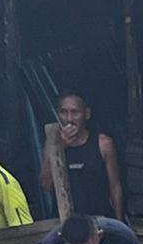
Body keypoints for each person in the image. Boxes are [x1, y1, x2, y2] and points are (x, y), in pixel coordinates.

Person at [40, 90, 123, 221]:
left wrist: (119, 223)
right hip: (66, 224)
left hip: (99, 221)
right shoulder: (52, 143)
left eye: (75, 112)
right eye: (63, 112)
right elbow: (46, 184)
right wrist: (60, 148)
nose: (69, 119)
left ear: (87, 114)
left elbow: (115, 186)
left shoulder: (103, 143)